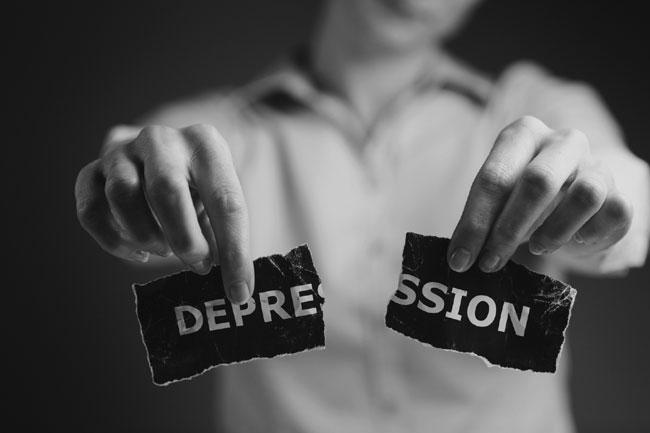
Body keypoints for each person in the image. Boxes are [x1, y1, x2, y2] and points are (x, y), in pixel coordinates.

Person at [74, 0, 649, 431]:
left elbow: (625, 187)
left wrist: (605, 197)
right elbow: (139, 202)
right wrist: (131, 190)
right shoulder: (216, 136)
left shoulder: (539, 108)